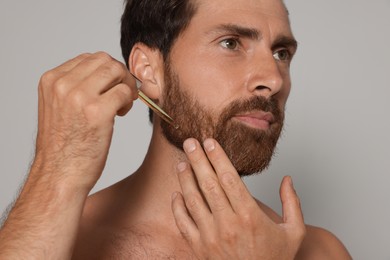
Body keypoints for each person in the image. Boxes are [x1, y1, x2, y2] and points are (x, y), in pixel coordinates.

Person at [0, 0, 352, 259]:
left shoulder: (320, 252)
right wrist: (56, 170)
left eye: (281, 53)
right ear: (149, 71)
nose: (273, 80)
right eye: (231, 43)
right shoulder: (71, 243)